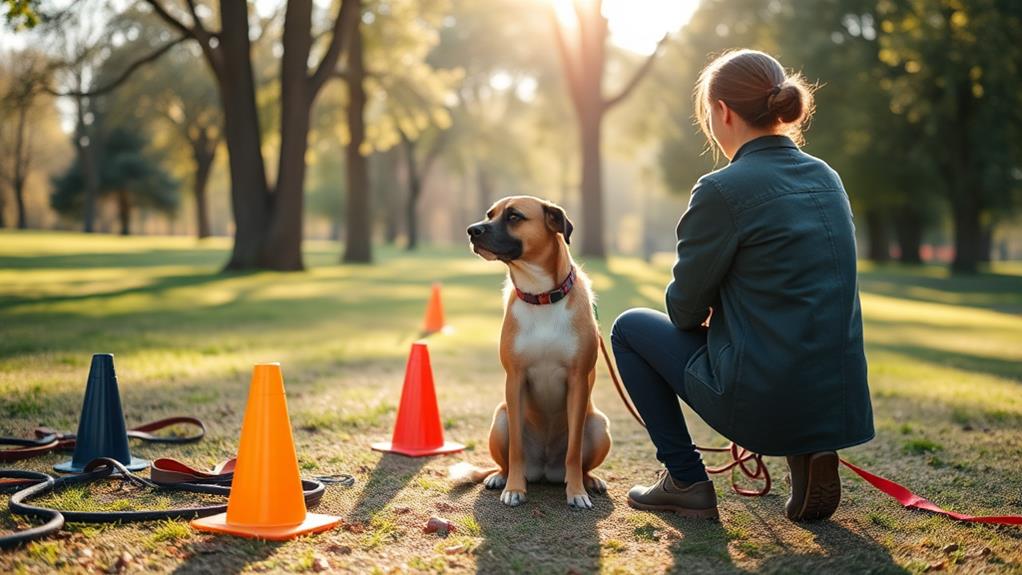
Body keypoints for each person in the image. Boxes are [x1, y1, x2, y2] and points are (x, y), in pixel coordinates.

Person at [612, 49, 874, 521]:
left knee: (630, 328)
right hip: (835, 398)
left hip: (761, 395)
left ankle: (686, 480)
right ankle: (809, 449)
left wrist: (714, 306)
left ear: (722, 112)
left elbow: (683, 311)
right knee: (780, 333)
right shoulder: (828, 178)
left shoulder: (720, 189)